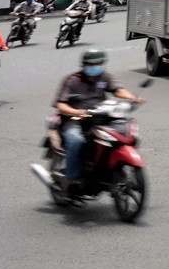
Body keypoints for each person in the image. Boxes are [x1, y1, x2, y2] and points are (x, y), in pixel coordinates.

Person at [50, 47, 140, 189]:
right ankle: (70, 177)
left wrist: (132, 98)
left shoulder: (104, 76)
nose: (95, 67)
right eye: (91, 64)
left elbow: (118, 90)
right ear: (83, 65)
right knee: (76, 141)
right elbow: (60, 105)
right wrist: (77, 112)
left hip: (100, 117)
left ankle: (106, 168)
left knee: (124, 134)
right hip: (74, 121)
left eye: (98, 63)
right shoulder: (72, 80)